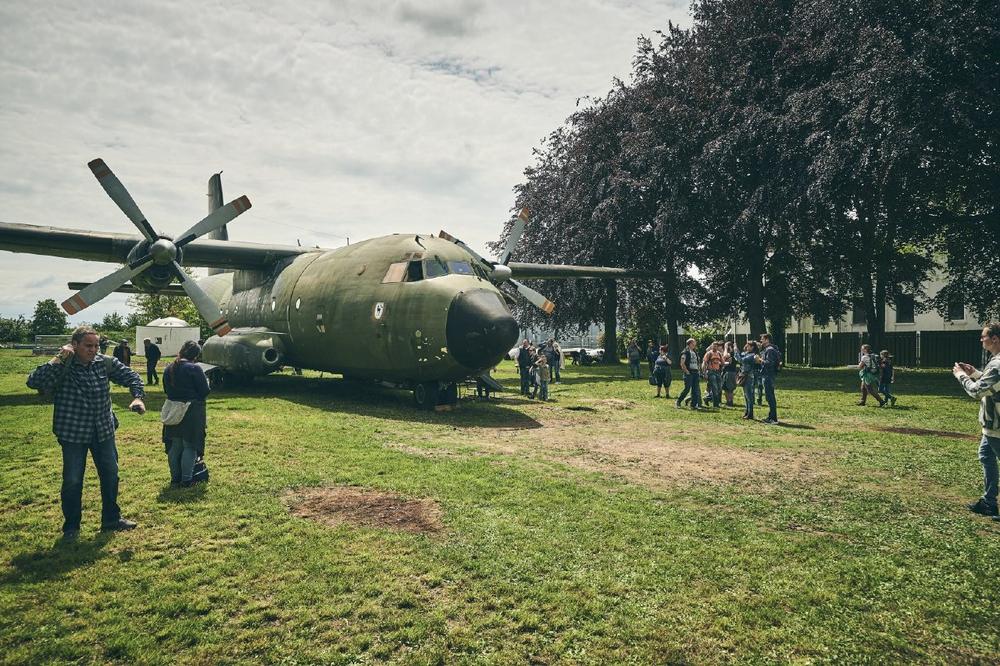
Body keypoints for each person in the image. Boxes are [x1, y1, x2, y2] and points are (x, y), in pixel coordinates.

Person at [25, 325, 145, 538]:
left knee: (111, 475)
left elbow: (132, 377)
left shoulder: (104, 363)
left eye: (96, 345)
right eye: (88, 346)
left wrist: (137, 396)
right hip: (73, 433)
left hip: (103, 431)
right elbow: (34, 381)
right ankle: (71, 527)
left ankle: (111, 519)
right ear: (75, 345)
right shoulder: (64, 365)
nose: (93, 350)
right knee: (72, 480)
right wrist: (60, 358)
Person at [953, 323, 1000, 519]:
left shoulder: (998, 364)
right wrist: (975, 374)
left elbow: (977, 391)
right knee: (986, 457)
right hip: (990, 426)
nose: (981, 340)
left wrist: (962, 376)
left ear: (995, 338)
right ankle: (989, 502)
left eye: (984, 337)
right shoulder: (995, 362)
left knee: (988, 458)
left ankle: (989, 502)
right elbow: (992, 385)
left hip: (997, 426)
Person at [162, 340, 210, 486]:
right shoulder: (194, 368)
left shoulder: (169, 367)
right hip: (192, 410)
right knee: (190, 445)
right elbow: (204, 391)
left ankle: (174, 478)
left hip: (173, 409)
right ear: (196, 355)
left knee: (175, 446)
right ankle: (187, 479)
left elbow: (166, 390)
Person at [759, 333, 781, 424]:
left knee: (770, 397)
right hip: (769, 375)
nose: (761, 341)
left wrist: (759, 360)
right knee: (769, 397)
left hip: (768, 375)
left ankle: (773, 419)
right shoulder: (771, 349)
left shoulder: (770, 350)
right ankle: (771, 417)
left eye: (762, 339)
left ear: (767, 340)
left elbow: (769, 363)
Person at [675, 338, 703, 410]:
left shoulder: (695, 352)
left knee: (695, 389)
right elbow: (682, 363)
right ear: (690, 344)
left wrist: (699, 371)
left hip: (695, 372)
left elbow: (698, 362)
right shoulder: (685, 352)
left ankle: (693, 405)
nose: (695, 345)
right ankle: (678, 401)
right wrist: (687, 372)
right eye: (693, 344)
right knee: (687, 389)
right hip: (689, 373)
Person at [738, 341, 761, 420]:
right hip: (745, 375)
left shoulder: (752, 355)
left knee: (749, 395)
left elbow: (741, 360)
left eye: (748, 346)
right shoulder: (747, 353)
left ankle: (750, 413)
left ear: (752, 347)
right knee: (745, 395)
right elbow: (741, 355)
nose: (746, 347)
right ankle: (747, 411)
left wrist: (735, 351)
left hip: (748, 376)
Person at [702, 341, 724, 408]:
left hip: (717, 372)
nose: (715, 347)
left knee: (719, 388)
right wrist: (704, 373)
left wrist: (725, 363)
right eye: (713, 346)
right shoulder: (709, 353)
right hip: (711, 372)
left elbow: (722, 362)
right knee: (714, 388)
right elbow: (704, 363)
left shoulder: (719, 354)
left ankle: (707, 398)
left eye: (716, 346)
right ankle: (716, 405)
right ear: (711, 346)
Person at [722, 341, 739, 407]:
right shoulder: (733, 353)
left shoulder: (731, 353)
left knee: (729, 388)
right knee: (726, 388)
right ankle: (728, 401)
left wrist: (726, 348)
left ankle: (730, 402)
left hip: (730, 372)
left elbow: (725, 356)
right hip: (730, 372)